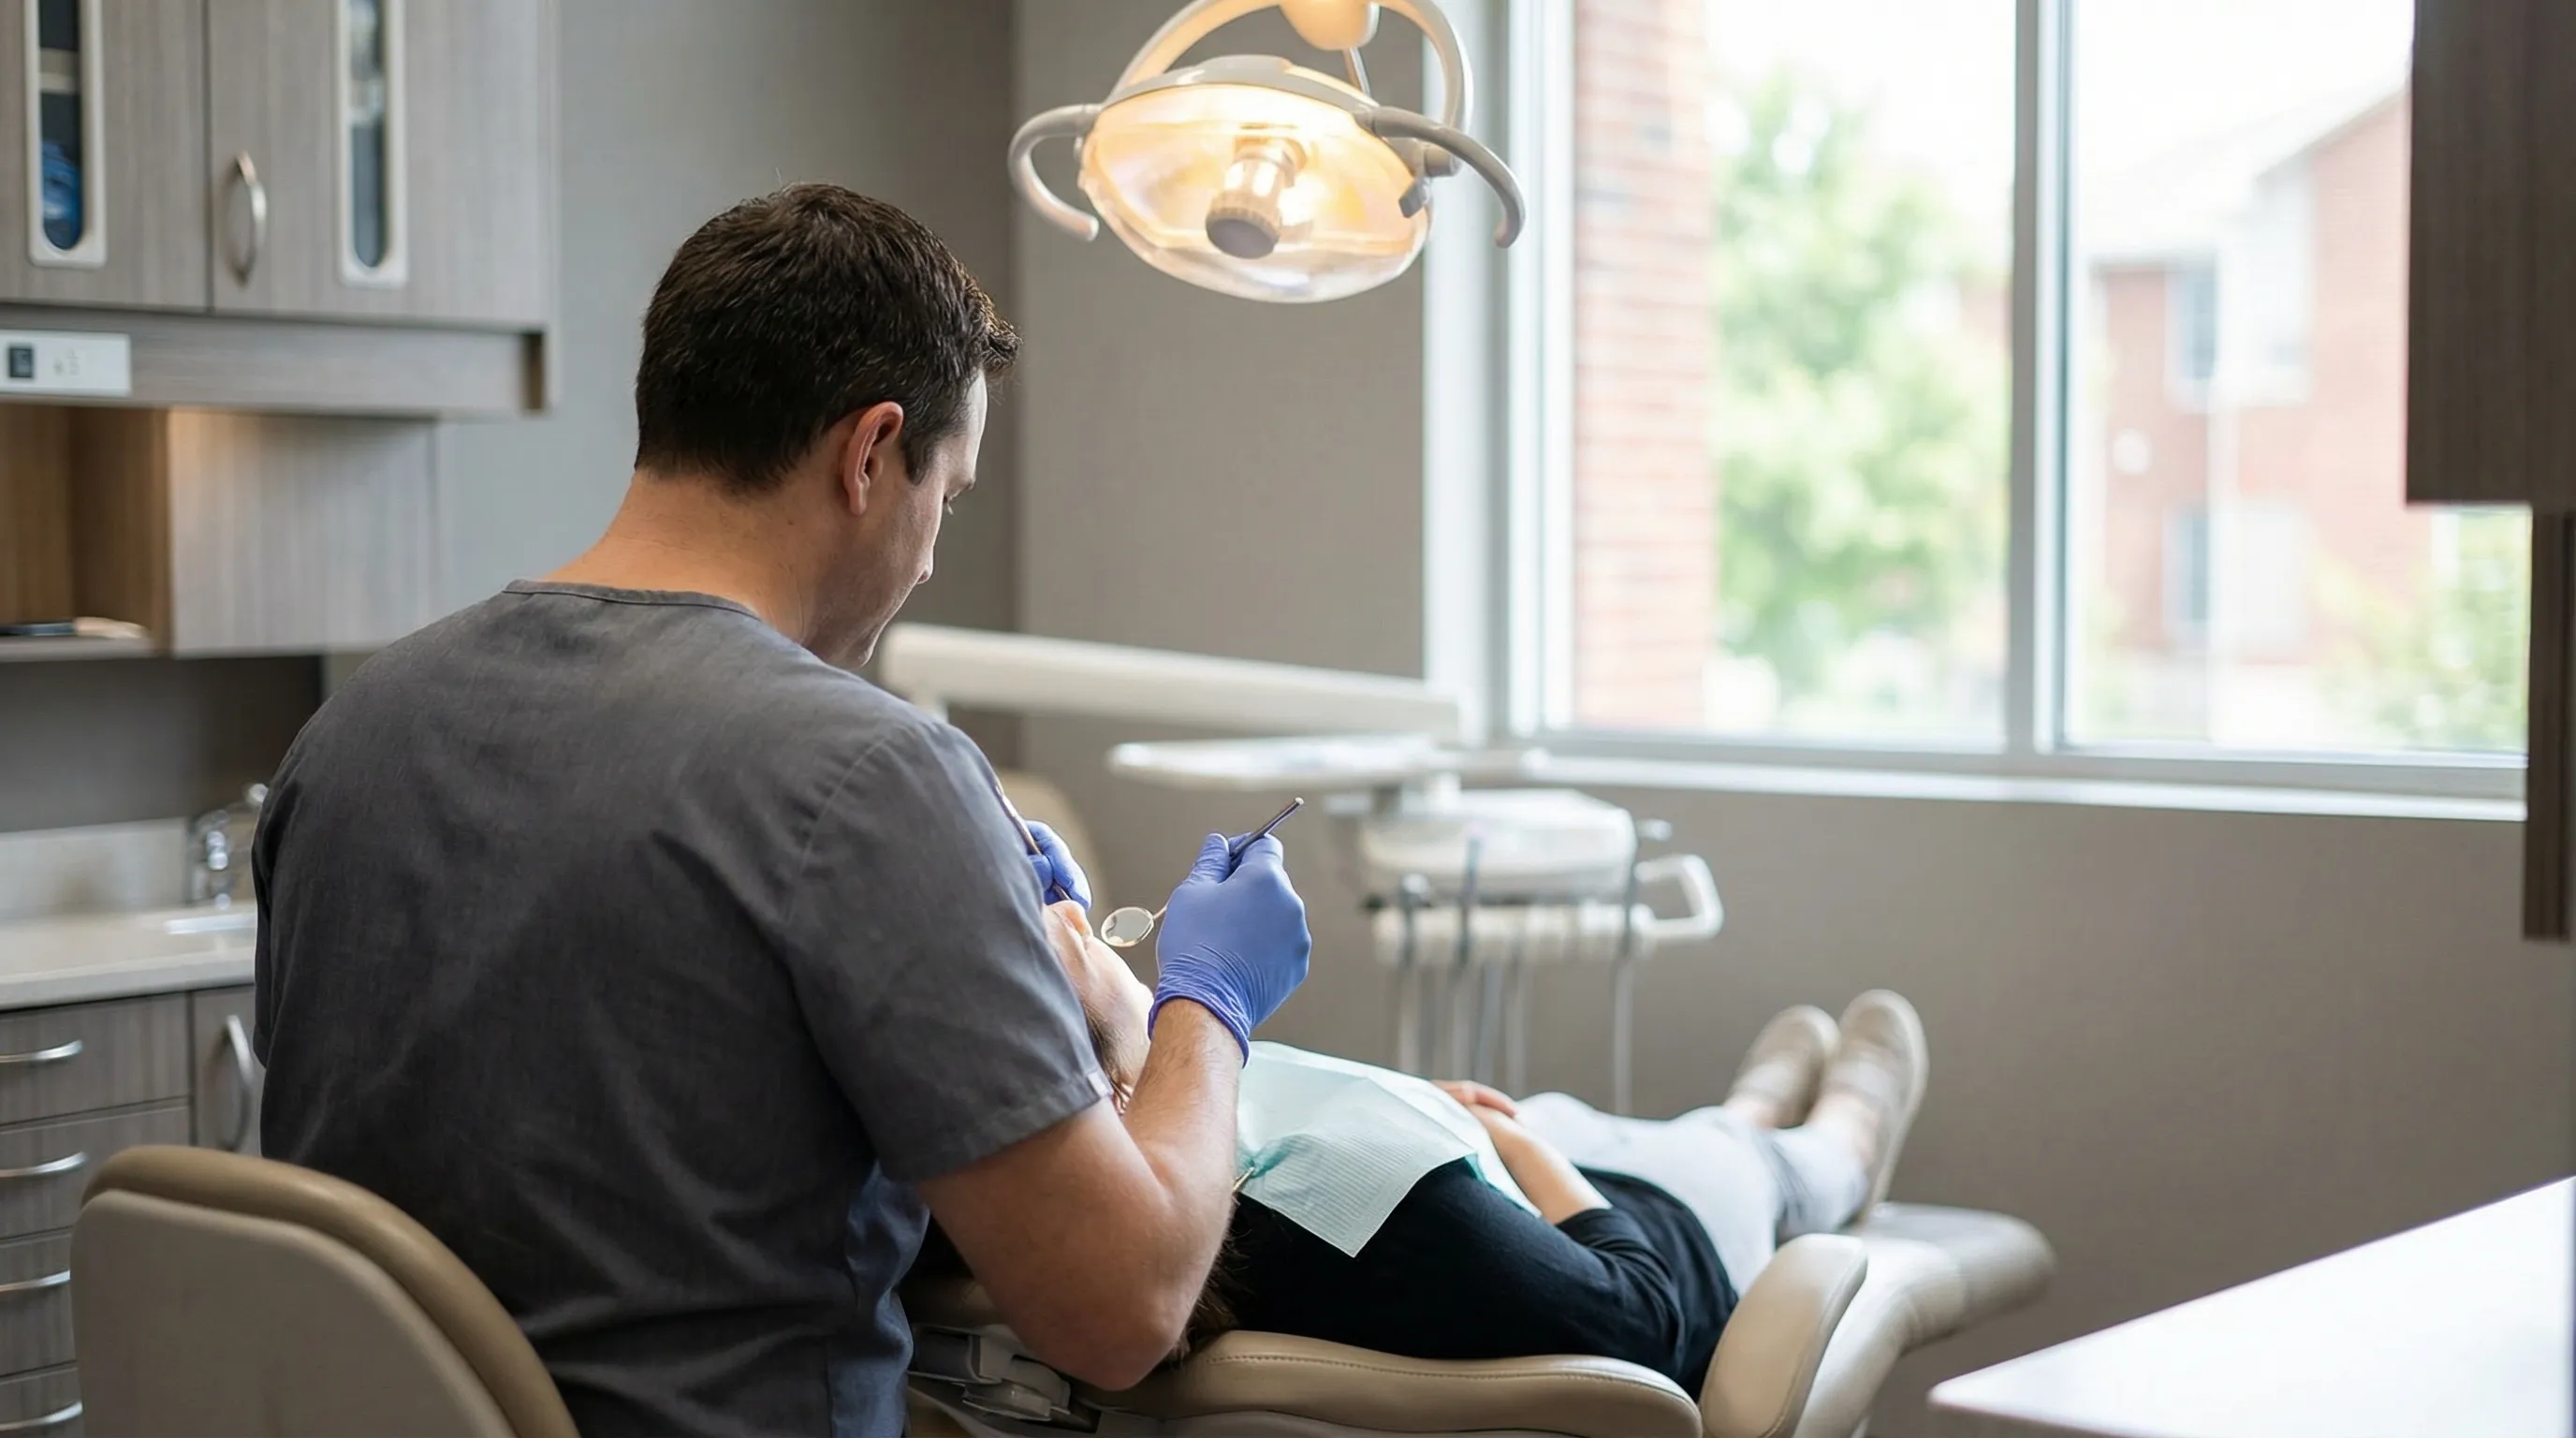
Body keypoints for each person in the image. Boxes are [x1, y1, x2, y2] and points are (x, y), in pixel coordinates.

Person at [252, 185, 1313, 1437]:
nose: (925, 561)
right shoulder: (870, 776)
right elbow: (1122, 1311)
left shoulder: (351, 733)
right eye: (949, 497)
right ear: (869, 455)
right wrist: (1209, 1002)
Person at [1027, 897, 1925, 1395]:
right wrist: (1516, 1147)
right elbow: (1644, 1313)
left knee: (1570, 1112)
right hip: (1665, 1246)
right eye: (1066, 933)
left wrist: (1439, 1119)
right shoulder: (1361, 1211)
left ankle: (1757, 1105)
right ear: (1111, 1087)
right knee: (1742, 1162)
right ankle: (1834, 1136)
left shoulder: (1169, 1116)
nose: (1075, 909)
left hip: (1504, 1200)